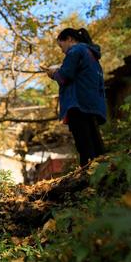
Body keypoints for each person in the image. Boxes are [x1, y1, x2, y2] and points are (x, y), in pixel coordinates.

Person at [44, 27, 107, 166]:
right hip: (91, 104)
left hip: (78, 104)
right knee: (95, 143)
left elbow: (65, 76)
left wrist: (53, 74)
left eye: (61, 46)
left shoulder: (75, 50)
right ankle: (103, 170)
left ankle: (88, 176)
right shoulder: (91, 55)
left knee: (84, 146)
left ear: (69, 39)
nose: (62, 50)